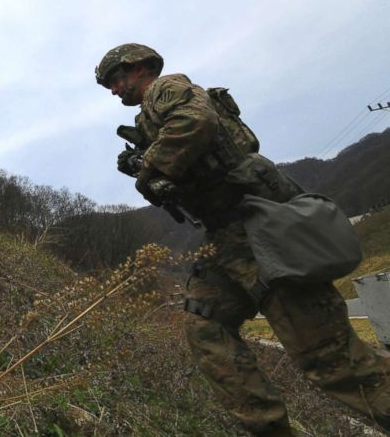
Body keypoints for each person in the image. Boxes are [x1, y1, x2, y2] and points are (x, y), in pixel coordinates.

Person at [95, 43, 390, 436]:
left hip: (260, 235)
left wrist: (149, 166)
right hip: (226, 241)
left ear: (139, 67)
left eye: (115, 79)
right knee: (206, 326)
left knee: (332, 362)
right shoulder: (152, 116)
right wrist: (144, 163)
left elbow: (195, 120)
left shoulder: (166, 89)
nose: (114, 90)